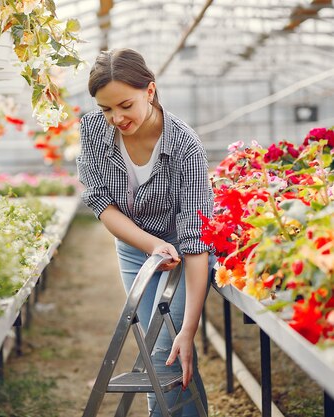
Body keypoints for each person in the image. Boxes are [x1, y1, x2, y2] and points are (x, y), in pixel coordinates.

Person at [76, 48, 215, 416]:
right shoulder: (92, 130)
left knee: (165, 347)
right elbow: (100, 201)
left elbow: (198, 238)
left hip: (185, 253)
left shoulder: (185, 146)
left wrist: (191, 328)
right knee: (166, 349)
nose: (116, 118)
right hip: (136, 249)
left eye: (125, 105)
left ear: (149, 91)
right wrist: (153, 245)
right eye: (106, 109)